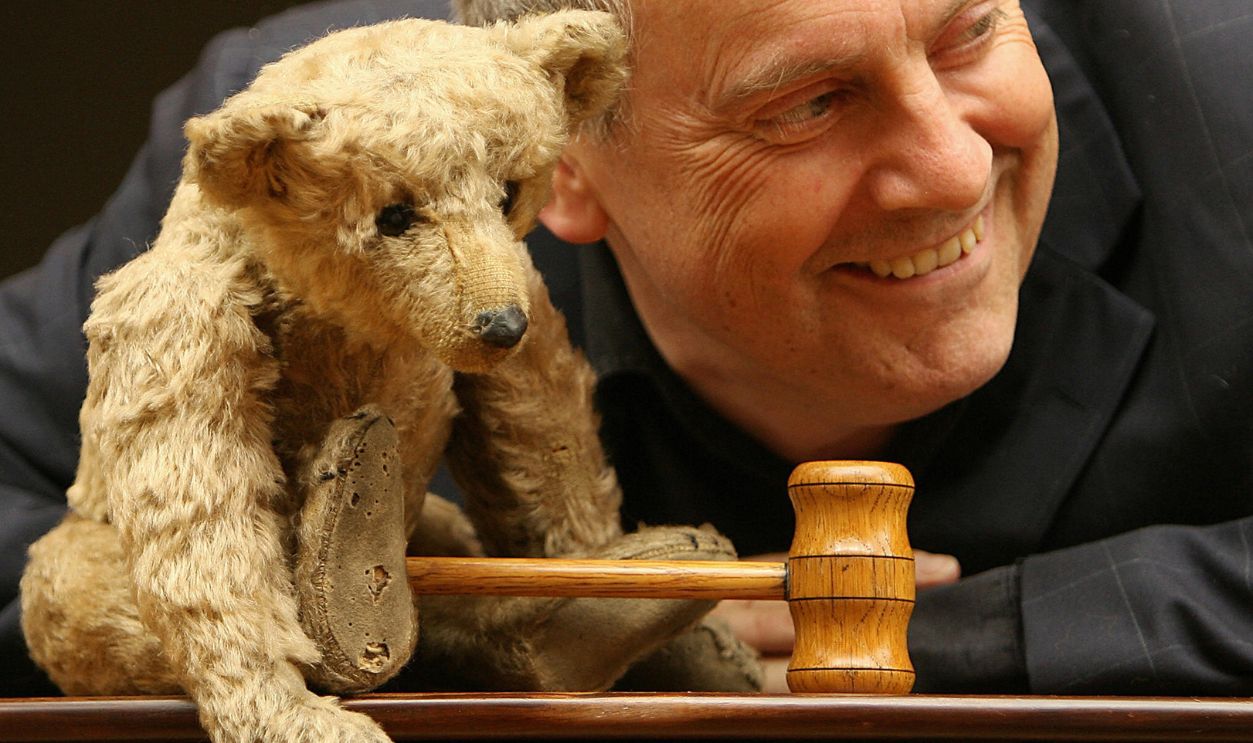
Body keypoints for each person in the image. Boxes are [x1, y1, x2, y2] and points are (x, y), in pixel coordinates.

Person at [1, 0, 1250, 697]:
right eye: (806, 102)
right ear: (564, 159)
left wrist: (950, 634)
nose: (953, 166)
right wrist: (426, 635)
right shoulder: (322, 157)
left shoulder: (1228, 88)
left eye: (967, 33)